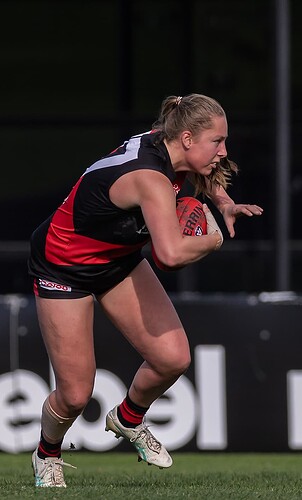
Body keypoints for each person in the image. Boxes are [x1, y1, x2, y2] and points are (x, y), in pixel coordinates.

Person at [27, 93, 263, 488]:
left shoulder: (168, 142)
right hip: (64, 267)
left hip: (116, 259)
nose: (224, 151)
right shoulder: (150, 177)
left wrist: (223, 201)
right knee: (75, 395)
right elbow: (169, 256)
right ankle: (47, 454)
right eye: (217, 141)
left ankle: (128, 418)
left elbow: (204, 170)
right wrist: (213, 239)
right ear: (186, 138)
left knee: (172, 358)